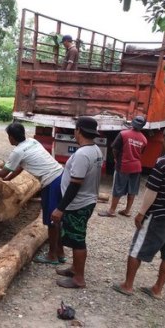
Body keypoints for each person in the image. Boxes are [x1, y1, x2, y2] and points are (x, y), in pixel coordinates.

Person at [112, 124, 165, 299]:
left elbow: (152, 190)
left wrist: (141, 212)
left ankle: (127, 285)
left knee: (137, 249)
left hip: (159, 214)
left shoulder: (163, 162)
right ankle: (157, 289)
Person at [0, 122, 66, 264]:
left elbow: (3, 171)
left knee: (52, 221)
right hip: (61, 176)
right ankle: (60, 252)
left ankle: (52, 256)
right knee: (57, 219)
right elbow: (20, 167)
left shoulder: (18, 151)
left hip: (51, 182)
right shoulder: (32, 142)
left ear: (11, 137)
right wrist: (7, 179)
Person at [51, 116, 103, 289]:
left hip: (79, 203)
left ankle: (79, 279)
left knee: (78, 240)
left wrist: (60, 208)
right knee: (75, 238)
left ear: (78, 130)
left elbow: (75, 184)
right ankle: (74, 268)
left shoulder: (82, 154)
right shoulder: (95, 149)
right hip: (86, 200)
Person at [99, 116, 148, 218]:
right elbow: (141, 153)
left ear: (132, 123)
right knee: (132, 189)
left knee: (118, 188)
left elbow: (115, 149)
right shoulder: (144, 139)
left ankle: (112, 211)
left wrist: (116, 159)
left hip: (123, 166)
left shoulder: (123, 134)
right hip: (136, 167)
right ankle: (127, 211)